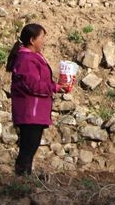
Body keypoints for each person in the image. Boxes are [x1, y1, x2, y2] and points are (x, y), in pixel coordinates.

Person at [9, 23, 71, 176]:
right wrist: (55, 87)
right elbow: (33, 85)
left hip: (34, 112)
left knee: (30, 148)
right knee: (27, 149)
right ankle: (22, 181)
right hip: (30, 112)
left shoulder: (32, 57)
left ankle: (24, 180)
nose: (44, 41)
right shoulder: (26, 60)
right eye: (42, 38)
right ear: (32, 40)